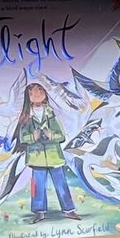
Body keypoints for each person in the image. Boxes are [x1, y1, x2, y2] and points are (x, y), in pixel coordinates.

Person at [14, 81, 77, 220]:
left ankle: (69, 210)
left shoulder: (51, 113)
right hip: (36, 158)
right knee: (37, 186)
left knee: (61, 184)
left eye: (39, 91)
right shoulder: (26, 116)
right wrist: (33, 137)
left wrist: (51, 135)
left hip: (54, 156)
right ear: (28, 97)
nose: (36, 95)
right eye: (32, 93)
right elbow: (22, 138)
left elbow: (61, 135)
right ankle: (39, 212)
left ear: (45, 94)